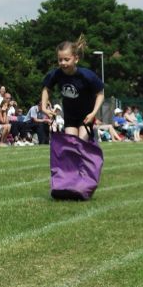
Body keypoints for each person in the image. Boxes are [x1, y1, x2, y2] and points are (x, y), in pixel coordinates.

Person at [42, 36, 105, 200]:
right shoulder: (57, 74)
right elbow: (46, 88)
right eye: (60, 59)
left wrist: (93, 113)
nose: (63, 63)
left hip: (86, 118)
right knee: (70, 146)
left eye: (66, 59)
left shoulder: (86, 75)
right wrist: (43, 106)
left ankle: (83, 183)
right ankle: (68, 184)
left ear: (76, 59)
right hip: (70, 117)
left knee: (81, 146)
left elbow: (100, 94)